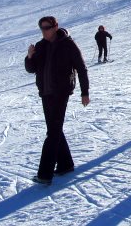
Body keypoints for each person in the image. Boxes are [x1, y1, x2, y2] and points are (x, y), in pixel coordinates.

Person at [25, 16, 90, 185]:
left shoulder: (68, 44)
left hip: (61, 93)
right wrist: (30, 57)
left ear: (55, 27)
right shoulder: (41, 46)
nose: (44, 31)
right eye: (42, 28)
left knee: (52, 132)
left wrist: (85, 92)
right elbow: (31, 69)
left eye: (47, 27)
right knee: (55, 129)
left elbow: (81, 68)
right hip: (45, 93)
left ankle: (44, 174)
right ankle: (65, 164)